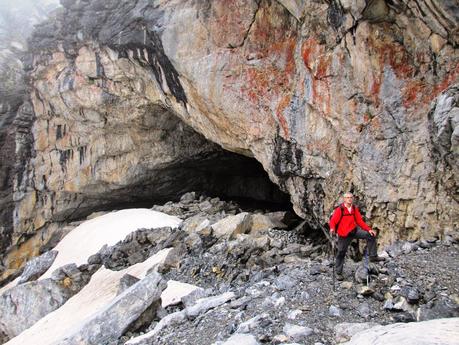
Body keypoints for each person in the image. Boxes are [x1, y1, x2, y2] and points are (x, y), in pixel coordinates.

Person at [329, 192, 384, 280]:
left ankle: (373, 256)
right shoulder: (340, 209)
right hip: (344, 234)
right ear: (344, 199)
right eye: (347, 197)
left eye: (351, 197)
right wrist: (332, 229)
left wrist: (369, 229)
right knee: (341, 252)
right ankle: (338, 272)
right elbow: (333, 221)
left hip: (354, 231)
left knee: (370, 235)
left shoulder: (354, 208)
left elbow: (360, 221)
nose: (349, 199)